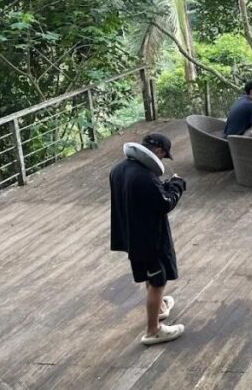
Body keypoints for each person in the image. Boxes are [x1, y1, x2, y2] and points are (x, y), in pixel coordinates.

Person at [109, 133, 188, 345]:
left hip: (131, 235)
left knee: (149, 275)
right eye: (163, 156)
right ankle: (153, 330)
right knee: (158, 279)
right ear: (159, 151)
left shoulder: (119, 169)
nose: (162, 161)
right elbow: (164, 203)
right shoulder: (144, 177)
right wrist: (177, 185)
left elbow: (143, 198)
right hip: (148, 239)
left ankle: (160, 308)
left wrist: (164, 185)